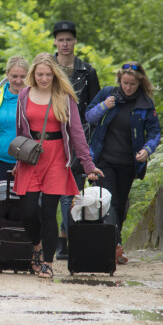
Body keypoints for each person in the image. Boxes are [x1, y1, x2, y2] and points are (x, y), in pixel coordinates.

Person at [13, 53, 103, 279]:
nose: (44, 78)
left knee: (48, 211)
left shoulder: (64, 97)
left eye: (48, 74)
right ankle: (36, 247)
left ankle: (47, 262)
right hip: (31, 157)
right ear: (33, 74)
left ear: (55, 74)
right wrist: (17, 161)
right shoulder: (24, 95)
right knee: (28, 211)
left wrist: (88, 164)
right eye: (40, 74)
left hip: (55, 157)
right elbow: (20, 133)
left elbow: (77, 134)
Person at [85, 62, 161, 265]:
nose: (127, 87)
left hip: (128, 164)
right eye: (124, 83)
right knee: (109, 202)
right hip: (103, 161)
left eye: (132, 84)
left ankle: (112, 244)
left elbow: (154, 133)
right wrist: (104, 106)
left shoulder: (145, 105)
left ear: (140, 83)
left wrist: (147, 149)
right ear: (119, 80)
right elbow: (88, 116)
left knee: (120, 205)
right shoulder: (108, 94)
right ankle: (115, 246)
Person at [52, 20, 101, 260]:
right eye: (60, 39)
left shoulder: (88, 71)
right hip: (51, 137)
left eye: (68, 39)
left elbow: (94, 110)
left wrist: (89, 143)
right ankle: (60, 241)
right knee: (57, 193)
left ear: (75, 41)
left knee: (71, 190)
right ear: (54, 41)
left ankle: (67, 241)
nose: (64, 43)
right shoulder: (46, 68)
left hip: (79, 137)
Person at [0, 55, 30, 181]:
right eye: (14, 76)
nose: (18, 80)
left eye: (22, 77)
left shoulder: (35, 97)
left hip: (28, 161)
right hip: (0, 161)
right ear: (7, 74)